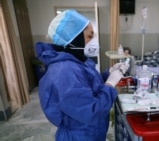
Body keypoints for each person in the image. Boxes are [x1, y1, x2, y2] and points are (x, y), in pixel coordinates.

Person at [35, 9, 129, 141]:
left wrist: (109, 73)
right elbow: (93, 111)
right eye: (90, 36)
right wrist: (110, 84)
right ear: (75, 38)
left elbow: (88, 85)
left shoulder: (75, 61)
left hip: (88, 132)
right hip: (79, 136)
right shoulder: (63, 72)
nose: (94, 41)